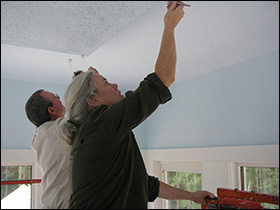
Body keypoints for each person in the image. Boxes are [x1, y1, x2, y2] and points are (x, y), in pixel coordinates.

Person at [60, 1, 214, 209]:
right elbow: (164, 78)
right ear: (93, 101)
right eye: (106, 83)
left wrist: (192, 196)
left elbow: (147, 186)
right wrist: (169, 25)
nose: (115, 84)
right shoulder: (100, 126)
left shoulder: (98, 133)